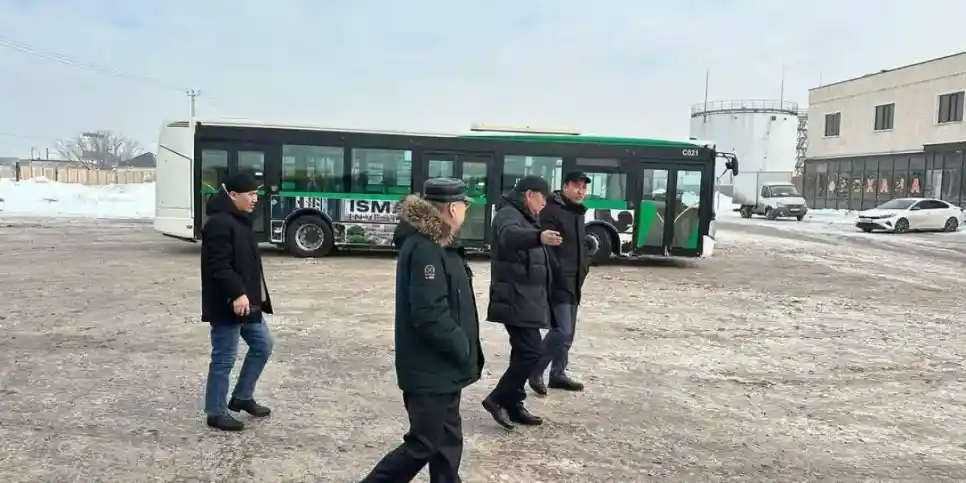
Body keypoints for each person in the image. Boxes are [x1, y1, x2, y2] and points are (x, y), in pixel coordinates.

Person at [358, 178, 485, 483]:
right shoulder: (426, 247)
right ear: (452, 209)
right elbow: (429, 313)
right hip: (429, 367)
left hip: (444, 367)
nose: (465, 211)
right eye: (464, 205)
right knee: (424, 444)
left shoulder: (441, 243)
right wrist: (460, 344)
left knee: (447, 443)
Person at [481, 175, 561, 429]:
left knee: (522, 352)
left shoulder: (525, 216)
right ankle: (497, 398)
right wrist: (539, 237)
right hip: (514, 296)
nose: (543, 206)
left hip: (526, 298)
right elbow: (510, 237)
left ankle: (514, 404)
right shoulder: (508, 215)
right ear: (529, 194)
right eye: (542, 200)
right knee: (532, 352)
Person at [200, 173, 275, 432]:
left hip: (248, 302)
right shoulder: (219, 223)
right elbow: (219, 266)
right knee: (224, 358)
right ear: (233, 195)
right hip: (229, 303)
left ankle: (242, 397)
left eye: (256, 194)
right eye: (250, 194)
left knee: (263, 345)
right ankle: (215, 412)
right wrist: (236, 293)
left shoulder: (240, 220)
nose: (255, 199)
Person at [529, 171, 591, 396]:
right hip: (558, 280)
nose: (580, 191)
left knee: (569, 331)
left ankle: (558, 373)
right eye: (576, 186)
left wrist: (585, 265)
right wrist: (558, 273)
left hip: (575, 279)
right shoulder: (552, 210)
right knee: (561, 330)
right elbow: (547, 248)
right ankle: (535, 369)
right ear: (565, 187)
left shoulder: (577, 212)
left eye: (584, 188)